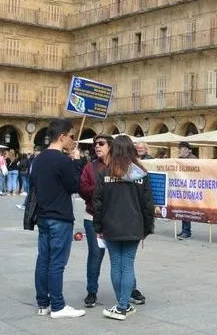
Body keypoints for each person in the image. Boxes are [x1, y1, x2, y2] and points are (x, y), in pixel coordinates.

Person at [93, 136, 154, 321]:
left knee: (115, 264)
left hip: (110, 225)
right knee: (127, 265)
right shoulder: (141, 174)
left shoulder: (105, 173)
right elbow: (147, 204)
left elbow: (98, 202)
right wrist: (147, 227)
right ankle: (123, 305)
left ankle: (122, 305)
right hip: (134, 226)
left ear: (113, 150)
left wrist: (98, 226)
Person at [31, 119, 86, 318]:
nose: (73, 140)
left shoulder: (38, 159)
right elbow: (74, 186)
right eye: (71, 136)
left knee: (43, 260)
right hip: (60, 217)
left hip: (43, 215)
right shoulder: (63, 160)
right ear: (62, 136)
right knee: (57, 263)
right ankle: (58, 306)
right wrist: (77, 163)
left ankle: (43, 303)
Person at [176, 142, 197, 240]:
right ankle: (184, 229)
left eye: (184, 149)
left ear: (189, 150)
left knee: (187, 209)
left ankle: (187, 231)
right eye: (180, 149)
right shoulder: (179, 159)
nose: (181, 150)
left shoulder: (193, 159)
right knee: (183, 209)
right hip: (182, 187)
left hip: (190, 187)